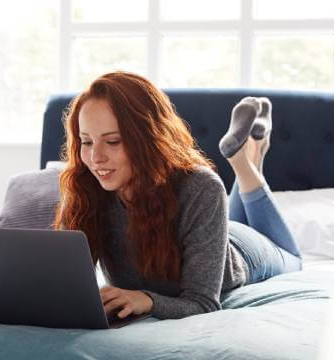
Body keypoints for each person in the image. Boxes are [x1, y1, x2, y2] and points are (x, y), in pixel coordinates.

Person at [55, 71, 301, 320]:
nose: (96, 158)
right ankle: (253, 153)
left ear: (149, 138)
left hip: (245, 251)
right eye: (86, 142)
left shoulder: (201, 187)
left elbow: (203, 303)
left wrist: (148, 300)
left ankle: (244, 163)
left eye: (114, 141)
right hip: (212, 227)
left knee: (294, 259)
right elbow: (63, 286)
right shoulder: (84, 188)